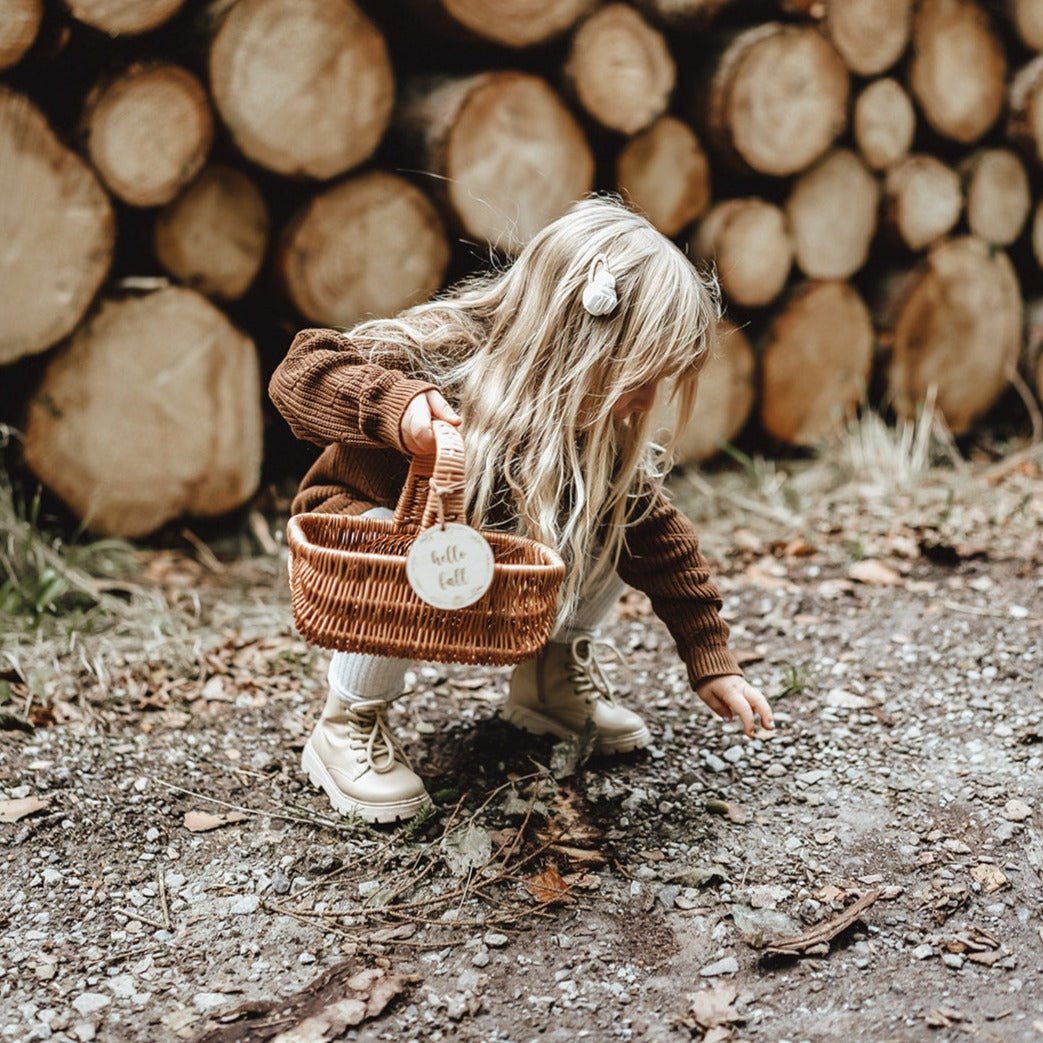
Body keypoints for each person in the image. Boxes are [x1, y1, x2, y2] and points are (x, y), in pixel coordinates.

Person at [269, 194, 774, 824]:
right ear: (576, 344)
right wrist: (394, 410)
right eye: (638, 380)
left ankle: (549, 678)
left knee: (622, 514)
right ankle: (347, 722)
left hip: (477, 556)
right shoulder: (443, 354)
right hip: (374, 539)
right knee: (397, 548)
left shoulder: (591, 428)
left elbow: (664, 543)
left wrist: (710, 659)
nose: (645, 403)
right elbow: (300, 373)